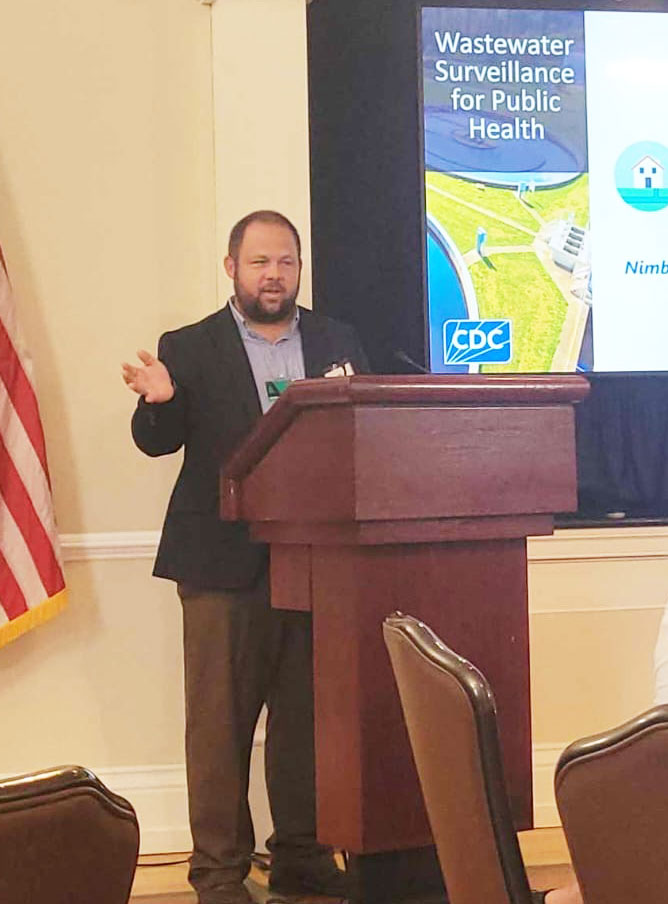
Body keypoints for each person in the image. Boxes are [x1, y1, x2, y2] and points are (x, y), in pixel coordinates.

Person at [122, 210, 369, 904]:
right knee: (219, 727)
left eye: (286, 262)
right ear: (231, 268)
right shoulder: (190, 346)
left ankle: (301, 855)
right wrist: (159, 403)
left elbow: (363, 436)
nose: (274, 275)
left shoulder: (336, 340)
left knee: (307, 724)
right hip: (219, 566)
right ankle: (220, 872)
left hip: (316, 562)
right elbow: (157, 441)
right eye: (260, 262)